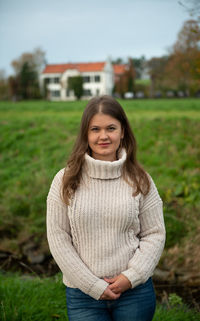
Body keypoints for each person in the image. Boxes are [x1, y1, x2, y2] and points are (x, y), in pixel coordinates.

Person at [46, 95, 166, 321]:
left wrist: (131, 276)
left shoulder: (141, 180)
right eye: (95, 129)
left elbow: (154, 234)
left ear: (122, 132)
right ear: (86, 134)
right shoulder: (64, 180)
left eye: (111, 128)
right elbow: (58, 237)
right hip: (82, 295)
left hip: (134, 293)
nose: (103, 136)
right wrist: (92, 285)